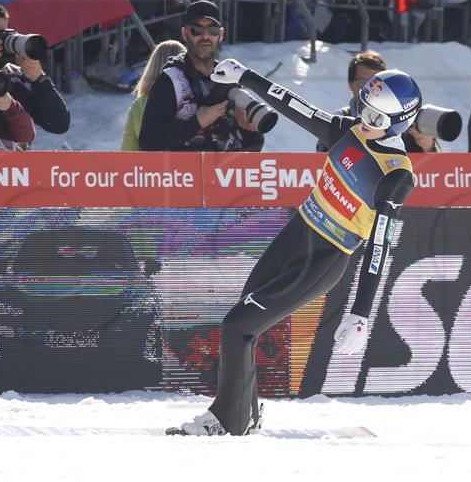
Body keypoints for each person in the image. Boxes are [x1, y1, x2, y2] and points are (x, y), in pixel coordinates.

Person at [169, 58, 420, 436]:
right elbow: (296, 107)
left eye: (378, 118)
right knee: (242, 320)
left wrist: (361, 313)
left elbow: (381, 245)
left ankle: (227, 421)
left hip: (325, 256)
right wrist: (245, 77)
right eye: (363, 108)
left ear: (399, 122)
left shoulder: (396, 174)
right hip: (298, 231)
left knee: (237, 326)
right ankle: (245, 412)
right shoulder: (348, 131)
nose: (367, 121)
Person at [138, 0, 264, 152]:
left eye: (213, 29)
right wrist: (196, 123)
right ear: (185, 33)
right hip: (185, 174)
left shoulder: (230, 78)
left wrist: (249, 131)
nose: (205, 36)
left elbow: (252, 149)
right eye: (197, 29)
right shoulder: (170, 81)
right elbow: (147, 142)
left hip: (226, 173)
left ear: (221, 34)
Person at [0, 0, 70, 135]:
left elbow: (59, 125)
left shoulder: (15, 78)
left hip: (15, 155)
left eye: (3, 33)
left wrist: (39, 79)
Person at [317, 50, 439, 154]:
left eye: (378, 84)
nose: (372, 90)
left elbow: (436, 172)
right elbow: (318, 161)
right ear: (351, 84)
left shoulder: (402, 120)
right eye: (364, 83)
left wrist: (427, 146)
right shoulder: (340, 119)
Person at [121, 40, 185, 151]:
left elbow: (128, 150)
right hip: (187, 166)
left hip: (150, 167)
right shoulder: (193, 99)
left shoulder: (139, 105)